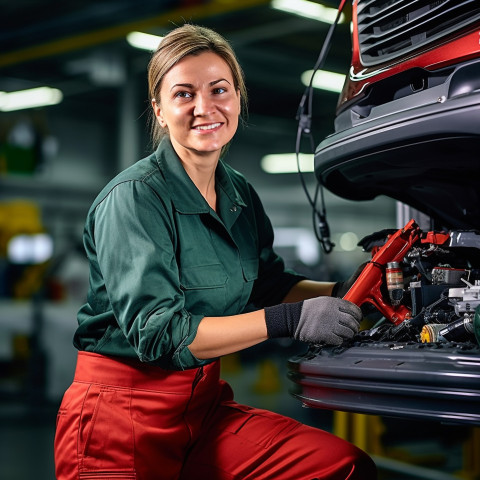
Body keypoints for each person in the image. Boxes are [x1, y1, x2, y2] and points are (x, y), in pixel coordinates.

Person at [54, 24, 377, 480]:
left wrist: (352, 292)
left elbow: (267, 285)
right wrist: (292, 320)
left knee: (339, 467)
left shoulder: (239, 193)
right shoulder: (134, 198)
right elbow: (160, 335)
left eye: (219, 89)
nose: (205, 108)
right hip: (119, 415)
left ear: (238, 98)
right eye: (183, 94)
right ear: (160, 111)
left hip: (201, 407)